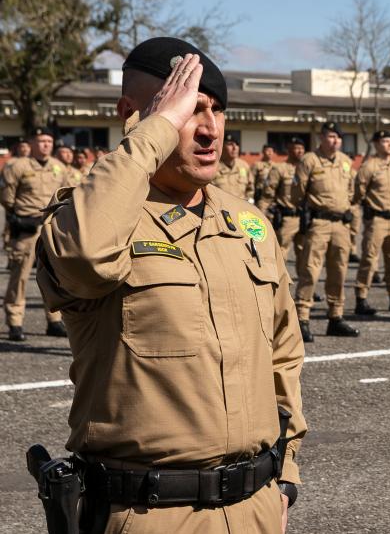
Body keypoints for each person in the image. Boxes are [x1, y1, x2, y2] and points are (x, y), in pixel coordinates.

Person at [35, 39, 305, 532]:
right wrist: (154, 131)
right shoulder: (95, 219)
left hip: (256, 509)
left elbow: (283, 353)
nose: (209, 129)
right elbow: (84, 258)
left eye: (217, 110)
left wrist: (283, 475)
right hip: (149, 513)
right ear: (130, 114)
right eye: (188, 109)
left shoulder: (247, 222)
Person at [291, 122, 360, 341]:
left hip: (341, 225)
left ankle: (335, 317)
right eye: (331, 136)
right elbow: (297, 193)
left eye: (338, 137)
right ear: (321, 138)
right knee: (310, 271)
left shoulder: (346, 163)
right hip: (319, 223)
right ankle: (302, 319)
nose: (335, 141)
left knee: (338, 272)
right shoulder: (309, 160)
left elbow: (352, 193)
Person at [1, 127, 69, 341]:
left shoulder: (59, 167)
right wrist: (18, 217)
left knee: (55, 276)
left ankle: (54, 320)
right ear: (31, 143)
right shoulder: (17, 166)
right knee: (20, 276)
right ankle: (15, 322)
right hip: (26, 227)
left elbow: (66, 194)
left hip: (51, 227)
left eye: (49, 140)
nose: (46, 144)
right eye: (41, 141)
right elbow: (7, 196)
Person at [352, 130, 390, 315]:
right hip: (376, 220)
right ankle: (361, 299)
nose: (389, 144)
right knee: (369, 260)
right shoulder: (369, 166)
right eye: (385, 141)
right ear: (376, 144)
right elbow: (359, 191)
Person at [264, 137, 303, 260]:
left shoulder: (307, 169)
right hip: (287, 218)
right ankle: (279, 279)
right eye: (296, 148)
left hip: (304, 218)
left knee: (305, 254)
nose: (300, 151)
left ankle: (303, 280)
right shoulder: (279, 169)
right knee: (280, 254)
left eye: (302, 149)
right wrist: (265, 215)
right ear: (289, 150)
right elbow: (268, 194)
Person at [212, 133, 254, 201]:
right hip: (220, 209)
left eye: (237, 145)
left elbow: (250, 189)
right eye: (230, 144)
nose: (235, 148)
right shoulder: (213, 166)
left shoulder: (243, 165)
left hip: (241, 208)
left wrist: (249, 202)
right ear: (221, 147)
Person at [254, 143, 275, 209]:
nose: (269, 153)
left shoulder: (276, 166)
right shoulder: (257, 165)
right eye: (267, 151)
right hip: (261, 198)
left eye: (271, 151)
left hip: (273, 198)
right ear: (263, 152)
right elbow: (251, 181)